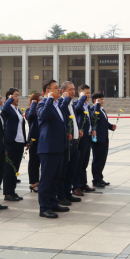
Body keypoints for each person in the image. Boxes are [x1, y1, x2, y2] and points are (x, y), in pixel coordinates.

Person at [36, 80, 71, 218]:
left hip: (59, 148)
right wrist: (49, 99)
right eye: (56, 88)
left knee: (56, 179)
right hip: (48, 149)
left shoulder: (57, 105)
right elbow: (44, 115)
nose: (59, 90)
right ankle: (44, 208)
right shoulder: (43, 103)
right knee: (47, 180)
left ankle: (53, 203)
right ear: (47, 91)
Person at [58, 81, 86, 201]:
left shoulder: (71, 104)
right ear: (63, 91)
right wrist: (65, 100)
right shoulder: (61, 103)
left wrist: (78, 130)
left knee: (71, 171)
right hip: (66, 143)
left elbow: (73, 121)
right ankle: (61, 196)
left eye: (74, 89)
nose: (73, 92)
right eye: (70, 90)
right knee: (63, 172)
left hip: (74, 142)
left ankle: (68, 193)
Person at [1, 88, 27, 202]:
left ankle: (12, 191)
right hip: (11, 142)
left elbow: (21, 126)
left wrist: (25, 140)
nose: (17, 98)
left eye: (18, 95)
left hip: (20, 141)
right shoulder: (8, 108)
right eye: (15, 95)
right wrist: (9, 101)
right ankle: (7, 193)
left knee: (15, 167)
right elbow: (3, 110)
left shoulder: (18, 110)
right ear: (9, 97)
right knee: (9, 168)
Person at [91, 92, 116, 188]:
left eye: (102, 99)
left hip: (104, 138)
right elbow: (95, 118)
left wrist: (111, 126)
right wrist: (97, 105)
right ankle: (96, 180)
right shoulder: (93, 109)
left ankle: (99, 177)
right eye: (100, 99)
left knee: (102, 159)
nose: (102, 101)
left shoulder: (102, 110)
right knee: (97, 159)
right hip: (97, 139)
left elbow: (104, 122)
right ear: (94, 100)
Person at [75, 84, 96, 194]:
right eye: (86, 93)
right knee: (78, 162)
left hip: (88, 137)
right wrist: (82, 99)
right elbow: (78, 110)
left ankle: (83, 183)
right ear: (80, 93)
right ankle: (76, 185)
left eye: (89, 93)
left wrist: (93, 129)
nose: (88, 95)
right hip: (80, 137)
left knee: (85, 161)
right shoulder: (76, 104)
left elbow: (89, 119)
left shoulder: (87, 106)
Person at [25, 92, 42, 193]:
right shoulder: (29, 110)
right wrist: (33, 104)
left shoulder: (41, 110)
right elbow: (31, 116)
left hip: (41, 139)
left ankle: (37, 181)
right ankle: (32, 183)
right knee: (33, 162)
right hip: (33, 139)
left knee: (38, 162)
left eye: (41, 100)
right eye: (38, 100)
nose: (40, 102)